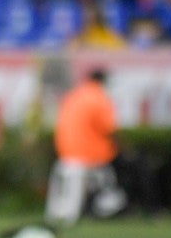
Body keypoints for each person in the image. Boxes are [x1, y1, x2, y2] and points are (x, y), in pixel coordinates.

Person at [44, 68, 126, 228]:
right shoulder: (99, 98)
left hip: (66, 153)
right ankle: (105, 210)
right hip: (92, 155)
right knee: (111, 182)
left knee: (79, 183)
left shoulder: (73, 96)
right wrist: (122, 147)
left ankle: (62, 213)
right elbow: (109, 129)